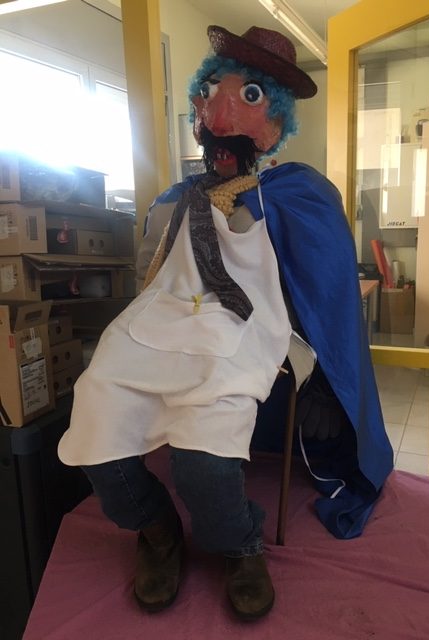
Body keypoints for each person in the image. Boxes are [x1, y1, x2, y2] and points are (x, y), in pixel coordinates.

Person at [58, 24, 393, 621]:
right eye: (211, 91)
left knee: (202, 462)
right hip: (159, 328)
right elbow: (153, 271)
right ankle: (156, 529)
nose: (219, 108)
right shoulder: (177, 197)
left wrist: (319, 374)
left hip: (241, 332)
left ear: (275, 121)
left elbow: (322, 280)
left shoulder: (294, 191)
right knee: (94, 419)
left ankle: (237, 543)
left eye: (247, 96)